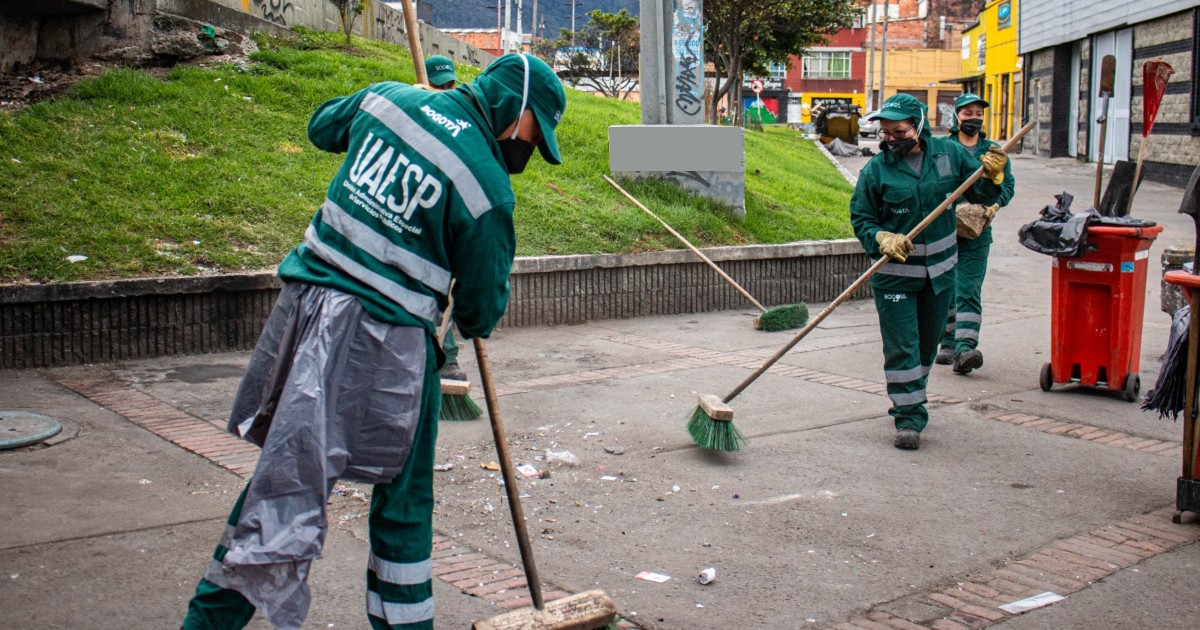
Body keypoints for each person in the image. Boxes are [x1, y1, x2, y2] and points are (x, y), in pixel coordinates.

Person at [181, 53, 567, 629]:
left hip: (303, 319)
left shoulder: (387, 100)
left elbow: (321, 128)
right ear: (518, 108)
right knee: (404, 505)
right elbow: (481, 313)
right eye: (536, 133)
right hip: (384, 350)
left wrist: (397, 104)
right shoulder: (487, 190)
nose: (530, 149)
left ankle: (206, 623)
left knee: (284, 481)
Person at [850, 93, 1006, 450]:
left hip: (940, 273)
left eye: (897, 131)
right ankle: (908, 417)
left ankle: (912, 395)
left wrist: (992, 176)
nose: (889, 138)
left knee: (926, 346)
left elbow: (978, 191)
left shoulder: (948, 155)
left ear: (919, 126)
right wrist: (881, 237)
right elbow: (862, 218)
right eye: (885, 132)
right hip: (895, 279)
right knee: (902, 346)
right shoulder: (877, 170)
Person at [934, 93, 1015, 374]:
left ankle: (965, 347)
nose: (974, 118)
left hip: (978, 232)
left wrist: (994, 205)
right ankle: (946, 341)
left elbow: (1007, 186)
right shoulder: (943, 148)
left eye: (978, 113)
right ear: (957, 116)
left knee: (968, 288)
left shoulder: (992, 151)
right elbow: (941, 183)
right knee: (946, 287)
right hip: (944, 229)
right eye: (967, 113)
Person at [421, 54, 467, 380]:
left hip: (450, 218)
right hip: (417, 219)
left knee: (448, 292)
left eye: (449, 83)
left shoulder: (460, 120)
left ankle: (447, 357)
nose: (446, 89)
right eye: (439, 84)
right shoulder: (414, 111)